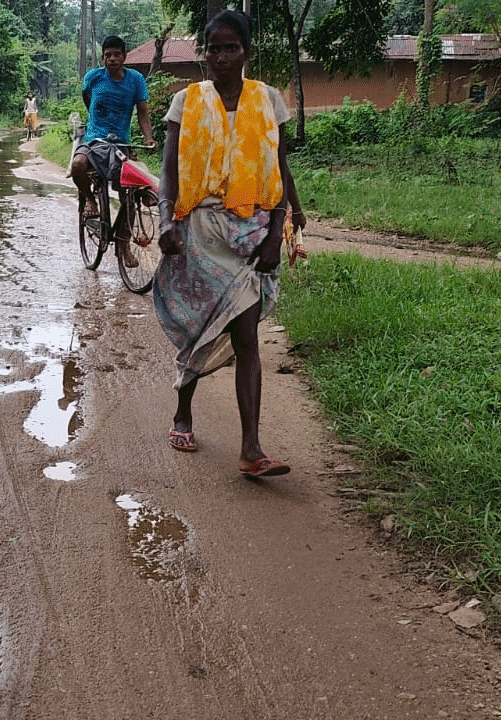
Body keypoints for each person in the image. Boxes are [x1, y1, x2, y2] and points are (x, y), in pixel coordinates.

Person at [151, 10, 306, 479]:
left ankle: (252, 449)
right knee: (197, 330)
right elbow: (169, 170)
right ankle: (183, 411)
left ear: (247, 52)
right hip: (197, 231)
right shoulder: (186, 102)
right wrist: (165, 222)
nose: (220, 57)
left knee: (246, 336)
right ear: (205, 54)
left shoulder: (269, 100)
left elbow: (278, 167)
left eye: (230, 48)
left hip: (252, 230)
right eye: (212, 48)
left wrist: (285, 223)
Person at [71, 35, 155, 267]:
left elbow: (143, 113)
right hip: (93, 141)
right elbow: (87, 99)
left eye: (117, 54)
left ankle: (124, 245)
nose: (112, 59)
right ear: (103, 58)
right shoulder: (93, 77)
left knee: (131, 192)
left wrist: (148, 138)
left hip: (121, 144)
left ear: (124, 56)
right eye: (108, 55)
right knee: (77, 165)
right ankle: (90, 200)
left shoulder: (136, 80)